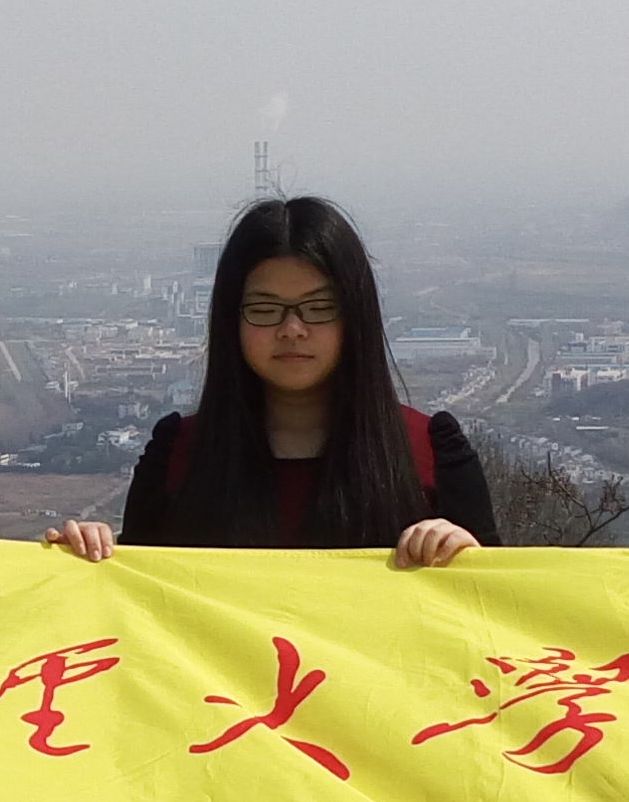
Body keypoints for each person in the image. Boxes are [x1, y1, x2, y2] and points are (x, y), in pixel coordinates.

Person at [45, 196, 496, 565]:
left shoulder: (431, 455)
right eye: (265, 309)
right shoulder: (177, 457)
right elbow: (137, 604)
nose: (292, 329)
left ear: (355, 317)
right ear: (231, 320)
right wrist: (89, 557)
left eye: (319, 308)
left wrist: (468, 555)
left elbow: (495, 617)